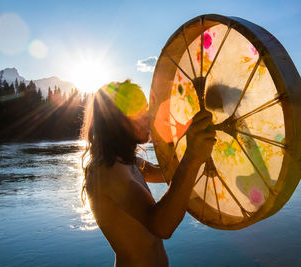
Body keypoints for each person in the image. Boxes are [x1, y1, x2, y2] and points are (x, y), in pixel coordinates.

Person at [80, 80, 215, 266]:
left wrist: (187, 137)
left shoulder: (130, 162)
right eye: (140, 111)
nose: (149, 116)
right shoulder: (106, 171)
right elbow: (161, 225)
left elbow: (168, 172)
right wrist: (192, 156)